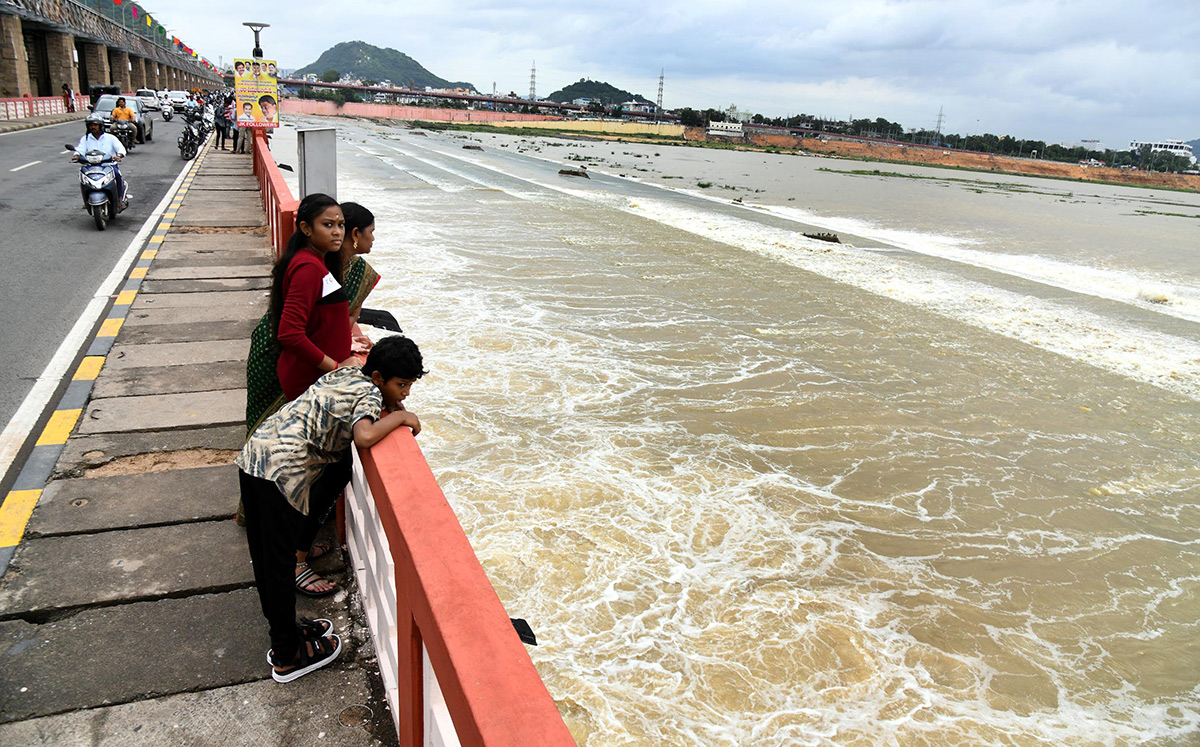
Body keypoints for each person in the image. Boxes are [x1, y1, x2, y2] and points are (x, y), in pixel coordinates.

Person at [236, 334, 425, 682]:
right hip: (280, 476)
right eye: (402, 385)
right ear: (379, 377)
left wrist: (393, 403)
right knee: (277, 568)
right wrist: (402, 418)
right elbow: (365, 436)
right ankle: (287, 656)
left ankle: (287, 634)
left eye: (410, 386)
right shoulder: (369, 393)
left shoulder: (349, 372)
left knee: (266, 562)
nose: (406, 394)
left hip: (256, 457)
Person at [237, 201, 383, 531]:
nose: (337, 231)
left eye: (340, 225)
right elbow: (291, 331)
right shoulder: (312, 267)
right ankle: (282, 534)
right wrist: (335, 364)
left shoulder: (321, 263)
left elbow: (325, 320)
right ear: (306, 228)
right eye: (328, 225)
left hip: (297, 364)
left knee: (280, 446)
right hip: (295, 369)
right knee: (289, 451)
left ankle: (271, 523)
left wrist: (343, 345)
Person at [72, 114, 127, 204]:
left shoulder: (110, 138)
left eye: (95, 125)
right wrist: (77, 155)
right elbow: (80, 149)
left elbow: (120, 149)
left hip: (108, 165)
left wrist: (119, 155)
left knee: (117, 174)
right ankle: (86, 200)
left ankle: (119, 198)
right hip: (91, 166)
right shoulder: (85, 139)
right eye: (91, 125)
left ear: (100, 126)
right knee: (83, 177)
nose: (93, 127)